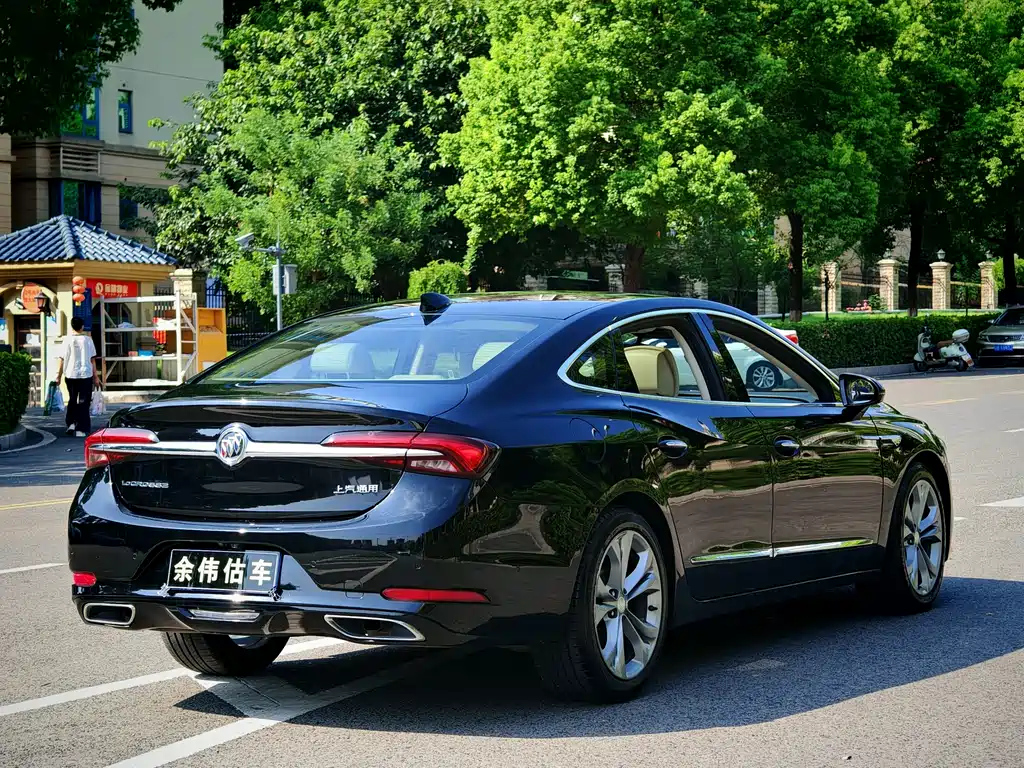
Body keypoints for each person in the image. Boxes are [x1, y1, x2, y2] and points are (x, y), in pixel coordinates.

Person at [55, 317, 100, 437]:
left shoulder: (67, 340)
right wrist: (96, 377)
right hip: (86, 374)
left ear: (72, 326)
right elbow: (92, 359)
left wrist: (58, 375)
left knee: (72, 399)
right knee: (84, 402)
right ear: (82, 327)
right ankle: (81, 428)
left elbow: (62, 359)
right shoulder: (88, 340)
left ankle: (71, 424)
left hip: (70, 374)